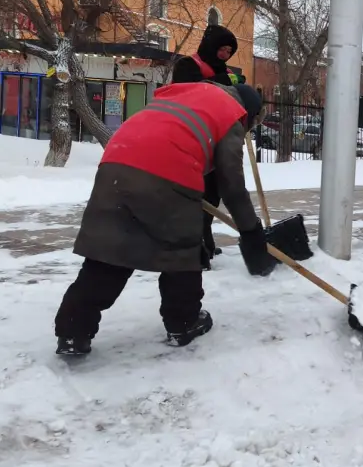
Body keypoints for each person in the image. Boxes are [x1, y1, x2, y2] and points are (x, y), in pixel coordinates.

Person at [52, 82, 279, 356]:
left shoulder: (188, 96)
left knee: (111, 250)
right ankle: (183, 323)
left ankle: (73, 330)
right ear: (249, 113)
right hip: (166, 171)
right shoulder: (230, 112)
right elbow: (231, 185)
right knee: (181, 250)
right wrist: (251, 231)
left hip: (116, 161)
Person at [171, 24, 247, 270]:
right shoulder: (187, 65)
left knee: (212, 194)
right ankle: (196, 247)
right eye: (221, 49)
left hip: (217, 138)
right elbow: (188, 93)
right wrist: (220, 82)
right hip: (190, 137)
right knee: (194, 196)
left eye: (228, 51)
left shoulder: (224, 71)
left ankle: (207, 240)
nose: (225, 54)